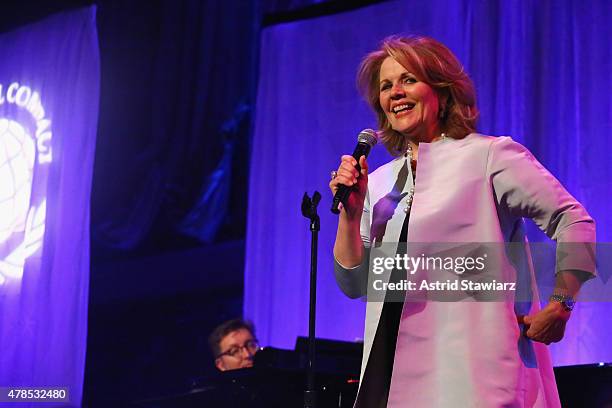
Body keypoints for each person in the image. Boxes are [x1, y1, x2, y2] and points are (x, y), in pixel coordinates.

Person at [329, 35, 595, 408]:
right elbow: (355, 283)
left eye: (408, 79)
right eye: (386, 86)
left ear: (441, 89)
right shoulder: (378, 183)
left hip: (468, 373)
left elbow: (574, 221)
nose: (395, 92)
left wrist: (562, 303)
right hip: (390, 373)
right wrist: (351, 214)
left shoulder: (488, 156)